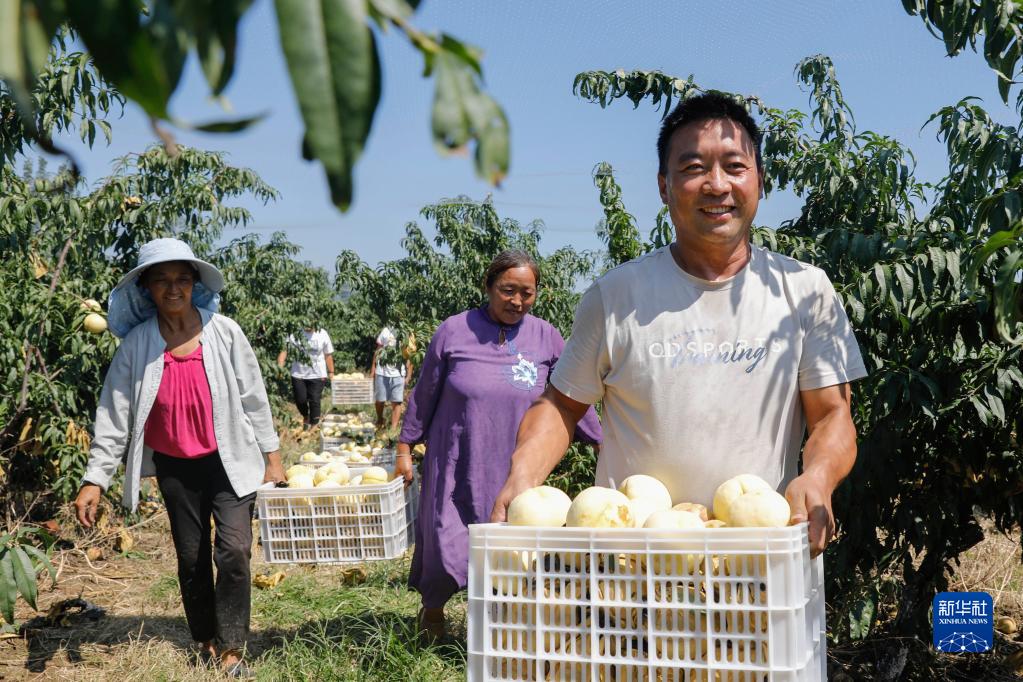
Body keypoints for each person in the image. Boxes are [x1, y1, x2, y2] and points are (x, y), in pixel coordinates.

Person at [491, 93, 868, 559]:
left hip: (750, 563)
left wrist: (819, 476)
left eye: (734, 166)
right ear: (664, 187)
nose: (716, 185)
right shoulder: (615, 297)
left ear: (760, 182)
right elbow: (562, 405)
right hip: (631, 566)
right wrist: (523, 477)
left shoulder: (805, 291)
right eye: (693, 168)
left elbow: (832, 415)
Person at [74, 238, 284, 678]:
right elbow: (114, 414)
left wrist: (273, 458)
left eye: (183, 279)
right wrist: (96, 478)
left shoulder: (224, 332)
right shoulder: (136, 345)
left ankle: (232, 647)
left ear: (194, 285)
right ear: (147, 289)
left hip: (229, 461)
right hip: (175, 467)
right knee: (191, 557)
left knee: (234, 551)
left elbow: (254, 397)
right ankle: (204, 637)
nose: (174, 289)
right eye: (162, 280)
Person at [393, 250, 602, 641]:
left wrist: (601, 443)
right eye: (508, 290)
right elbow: (424, 394)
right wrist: (406, 446)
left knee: (509, 545)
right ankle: (433, 612)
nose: (517, 301)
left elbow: (570, 396)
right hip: (457, 457)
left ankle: (495, 629)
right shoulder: (454, 331)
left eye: (527, 292)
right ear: (488, 287)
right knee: (445, 540)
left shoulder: (546, 337)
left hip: (516, 462)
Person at [276, 326, 335, 429]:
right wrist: (280, 367)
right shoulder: (295, 332)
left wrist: (331, 372)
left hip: (317, 374)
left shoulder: (322, 334)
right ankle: (306, 416)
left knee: (315, 400)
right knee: (300, 400)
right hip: (298, 373)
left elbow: (328, 354)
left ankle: (314, 426)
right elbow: (284, 350)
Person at [371, 326, 412, 432]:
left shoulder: (407, 332)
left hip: (398, 372)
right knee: (380, 400)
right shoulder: (385, 330)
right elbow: (378, 350)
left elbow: (410, 355)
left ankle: (393, 429)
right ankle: (380, 419)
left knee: (397, 401)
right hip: (382, 371)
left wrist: (408, 375)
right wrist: (373, 367)